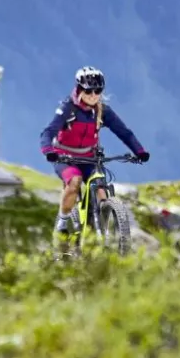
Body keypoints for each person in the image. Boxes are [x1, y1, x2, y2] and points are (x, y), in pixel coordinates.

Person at [39, 66, 150, 234]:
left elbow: (124, 132)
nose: (93, 95)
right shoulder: (68, 108)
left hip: (90, 157)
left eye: (98, 90)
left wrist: (139, 151)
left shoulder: (102, 111)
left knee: (101, 190)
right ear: (79, 89)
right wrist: (49, 151)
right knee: (74, 182)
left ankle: (100, 231)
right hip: (64, 157)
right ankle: (61, 222)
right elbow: (48, 132)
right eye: (89, 90)